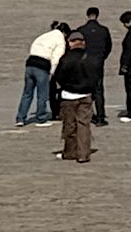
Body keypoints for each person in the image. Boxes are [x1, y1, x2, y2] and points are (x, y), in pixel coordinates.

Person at [52, 30, 99, 163]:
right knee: (84, 125)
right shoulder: (91, 57)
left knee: (69, 125)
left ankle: (70, 152)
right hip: (86, 95)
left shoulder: (66, 58)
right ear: (83, 42)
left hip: (68, 96)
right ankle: (83, 154)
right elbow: (96, 76)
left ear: (70, 43)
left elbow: (58, 77)